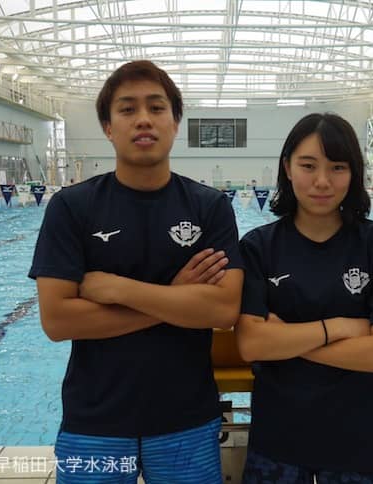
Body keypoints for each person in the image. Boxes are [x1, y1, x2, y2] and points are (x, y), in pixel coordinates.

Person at [28, 60, 244, 484]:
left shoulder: (209, 207)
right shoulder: (71, 207)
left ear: (175, 123)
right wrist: (177, 296)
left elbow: (222, 310)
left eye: (156, 108)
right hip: (94, 422)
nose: (143, 119)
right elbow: (57, 320)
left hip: (187, 420)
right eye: (127, 109)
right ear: (108, 127)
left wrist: (119, 289)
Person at [236, 113, 373, 483]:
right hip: (278, 443)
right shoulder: (258, 247)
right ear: (287, 168)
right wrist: (337, 327)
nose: (322, 181)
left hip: (361, 444)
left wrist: (286, 341)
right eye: (308, 166)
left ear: (353, 173)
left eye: (337, 167)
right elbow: (251, 344)